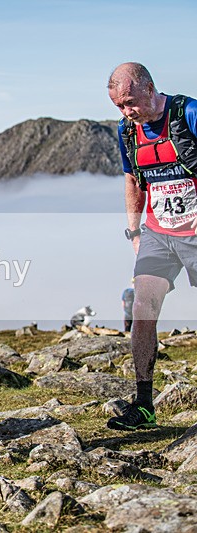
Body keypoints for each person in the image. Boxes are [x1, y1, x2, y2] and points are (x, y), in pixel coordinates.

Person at [106, 62, 197, 431]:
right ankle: (144, 404)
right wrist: (134, 232)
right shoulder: (127, 132)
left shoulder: (189, 113)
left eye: (130, 102)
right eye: (118, 107)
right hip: (158, 233)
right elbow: (132, 180)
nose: (127, 112)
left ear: (149, 88)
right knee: (142, 305)